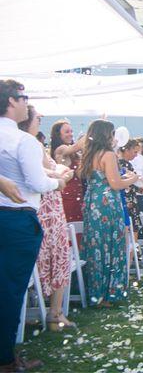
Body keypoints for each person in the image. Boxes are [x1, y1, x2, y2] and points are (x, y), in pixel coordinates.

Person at [0, 79, 66, 372]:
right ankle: (5, 359)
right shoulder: (22, 140)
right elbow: (36, 182)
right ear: (11, 101)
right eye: (24, 97)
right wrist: (59, 181)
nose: (27, 102)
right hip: (16, 220)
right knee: (11, 291)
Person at [19, 105, 76, 331]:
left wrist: (58, 172)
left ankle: (51, 312)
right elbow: (44, 173)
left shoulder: (35, 145)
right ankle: (50, 312)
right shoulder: (28, 143)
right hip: (45, 207)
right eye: (37, 119)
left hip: (51, 205)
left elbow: (52, 169)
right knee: (52, 256)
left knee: (54, 256)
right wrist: (58, 175)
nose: (39, 122)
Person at [79, 120, 138, 307]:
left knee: (96, 248)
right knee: (111, 245)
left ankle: (96, 293)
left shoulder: (89, 154)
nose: (114, 138)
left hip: (92, 203)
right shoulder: (108, 155)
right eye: (112, 134)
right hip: (107, 205)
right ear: (106, 135)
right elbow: (115, 184)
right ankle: (107, 294)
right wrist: (132, 179)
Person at [50, 120, 85, 225]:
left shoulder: (73, 153)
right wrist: (93, 132)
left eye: (71, 131)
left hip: (77, 195)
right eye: (67, 132)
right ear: (58, 134)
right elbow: (75, 147)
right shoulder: (60, 149)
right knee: (71, 228)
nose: (71, 134)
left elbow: (80, 174)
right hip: (67, 196)